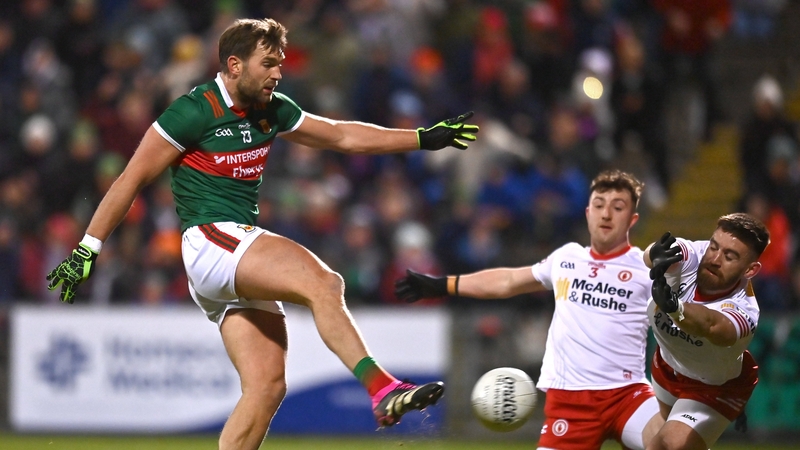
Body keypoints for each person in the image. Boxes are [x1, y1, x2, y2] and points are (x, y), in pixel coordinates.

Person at [44, 18, 479, 450]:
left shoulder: (272, 107)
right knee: (324, 283)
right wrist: (88, 248)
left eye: (281, 63)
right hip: (212, 239)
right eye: (268, 63)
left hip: (229, 258)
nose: (277, 73)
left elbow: (341, 136)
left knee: (267, 387)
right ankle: (384, 390)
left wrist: (421, 138)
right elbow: (131, 178)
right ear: (234, 65)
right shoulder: (193, 110)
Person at [395, 170, 663, 450]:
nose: (606, 214)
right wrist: (443, 285)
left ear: (632, 219)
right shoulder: (566, 258)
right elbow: (508, 280)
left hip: (628, 394)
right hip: (570, 403)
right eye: (599, 205)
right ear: (587, 212)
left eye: (617, 207)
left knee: (672, 443)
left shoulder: (646, 269)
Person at [644, 213, 770, 450]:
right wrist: (653, 254)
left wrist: (675, 307)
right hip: (667, 364)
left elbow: (710, 325)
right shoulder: (694, 255)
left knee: (669, 443)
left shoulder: (744, 311)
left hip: (714, 385)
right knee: (662, 436)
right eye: (714, 246)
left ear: (750, 270)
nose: (715, 259)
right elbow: (656, 253)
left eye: (730, 256)